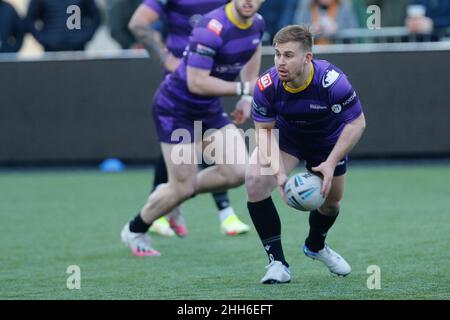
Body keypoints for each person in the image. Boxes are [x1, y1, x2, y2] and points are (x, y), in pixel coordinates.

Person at [121, 0, 265, 256]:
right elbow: (196, 83)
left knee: (237, 172)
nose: (249, 1)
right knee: (181, 186)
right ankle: (134, 230)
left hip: (207, 108)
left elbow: (253, 50)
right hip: (175, 109)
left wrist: (247, 98)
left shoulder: (258, 24)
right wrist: (243, 89)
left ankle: (173, 194)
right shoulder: (211, 26)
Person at [246, 24, 366, 283]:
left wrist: (331, 163)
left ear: (307, 57)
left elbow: (357, 123)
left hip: (327, 143)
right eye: (277, 54)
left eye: (288, 55)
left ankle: (315, 245)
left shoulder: (332, 81)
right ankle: (277, 263)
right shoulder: (267, 85)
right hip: (287, 140)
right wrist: (278, 173)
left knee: (331, 204)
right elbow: (264, 133)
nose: (280, 62)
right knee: (255, 181)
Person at [26, 0, 101, 51]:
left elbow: (95, 17)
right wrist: (45, 40)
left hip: (77, 50)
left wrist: (83, 38)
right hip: (51, 50)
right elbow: (30, 20)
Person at [294, 0, 358, 44]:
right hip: (313, 52)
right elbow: (297, 28)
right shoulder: (307, 6)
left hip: (338, 51)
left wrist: (338, 28)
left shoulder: (344, 7)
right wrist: (312, 28)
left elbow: (353, 29)